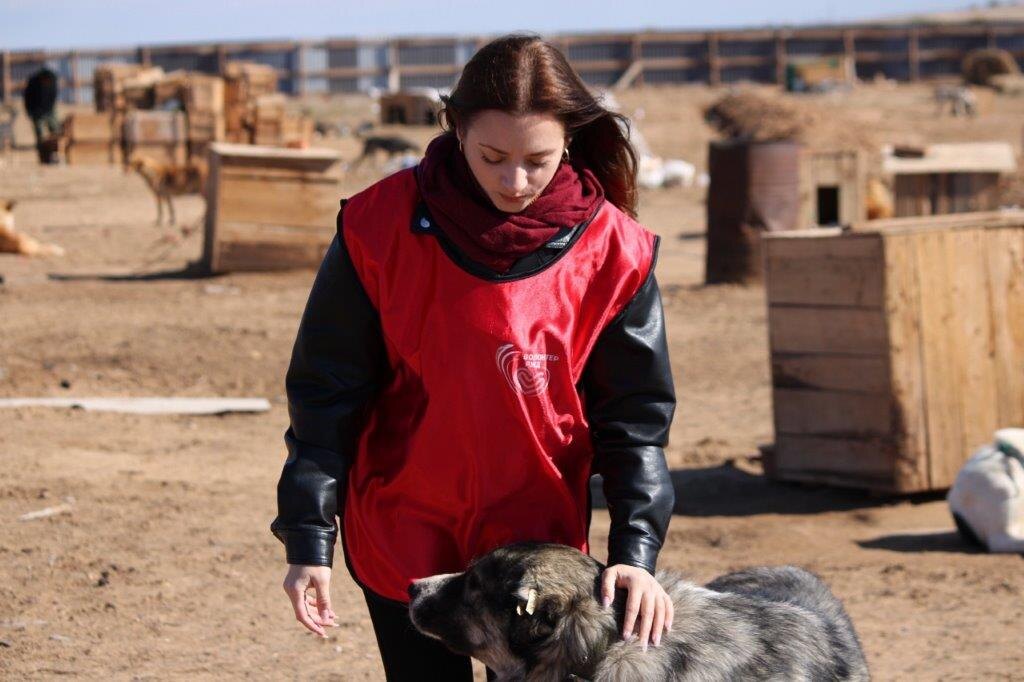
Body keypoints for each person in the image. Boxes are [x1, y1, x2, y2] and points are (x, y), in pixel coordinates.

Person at [272, 34, 676, 681]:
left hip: (537, 544)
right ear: (454, 129)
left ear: (570, 139)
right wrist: (308, 537)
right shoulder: (377, 227)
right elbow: (326, 392)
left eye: (537, 160)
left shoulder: (615, 252)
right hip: (403, 522)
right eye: (492, 157)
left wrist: (636, 551)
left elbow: (635, 419)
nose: (514, 182)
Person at [22, 66, 60, 164]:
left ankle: (57, 154)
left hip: (49, 110)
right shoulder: (33, 83)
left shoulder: (52, 82)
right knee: (40, 135)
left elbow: (53, 98)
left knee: (57, 131)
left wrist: (49, 110)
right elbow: (27, 98)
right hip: (36, 112)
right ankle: (43, 157)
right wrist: (30, 112)